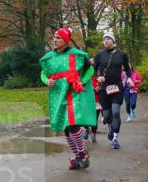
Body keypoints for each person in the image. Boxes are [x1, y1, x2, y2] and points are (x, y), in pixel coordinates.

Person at [40, 27, 96, 170]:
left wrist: (82, 81)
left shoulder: (77, 55)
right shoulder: (49, 57)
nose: (55, 40)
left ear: (66, 40)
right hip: (58, 95)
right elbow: (43, 73)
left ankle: (82, 153)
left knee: (72, 124)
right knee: (65, 128)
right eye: (54, 37)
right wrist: (46, 81)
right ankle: (78, 157)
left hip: (74, 93)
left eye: (58, 37)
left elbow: (90, 69)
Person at [91, 32, 132, 150]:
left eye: (109, 39)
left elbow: (128, 69)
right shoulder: (99, 55)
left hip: (117, 87)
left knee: (116, 112)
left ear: (113, 41)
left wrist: (129, 78)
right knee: (107, 116)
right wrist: (97, 77)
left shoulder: (122, 55)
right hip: (104, 88)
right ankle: (110, 126)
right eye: (104, 39)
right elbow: (92, 70)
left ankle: (115, 138)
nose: (106, 41)